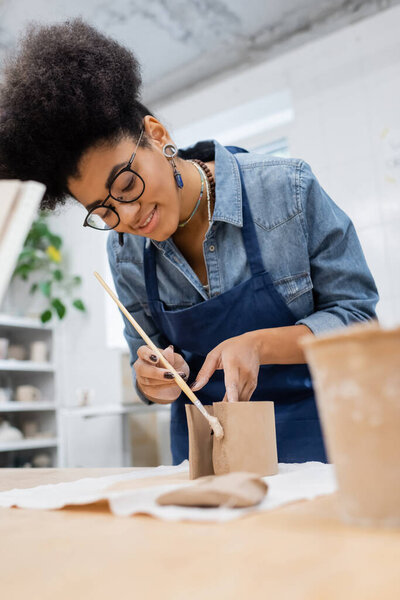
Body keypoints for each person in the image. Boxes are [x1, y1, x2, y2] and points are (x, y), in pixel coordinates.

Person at [0, 20, 379, 465]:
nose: (127, 216)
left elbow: (358, 322)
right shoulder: (124, 253)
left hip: (322, 445)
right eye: (103, 211)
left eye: (125, 184)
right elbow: (145, 360)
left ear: (158, 136)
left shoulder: (286, 190)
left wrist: (260, 344)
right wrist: (151, 378)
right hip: (209, 456)